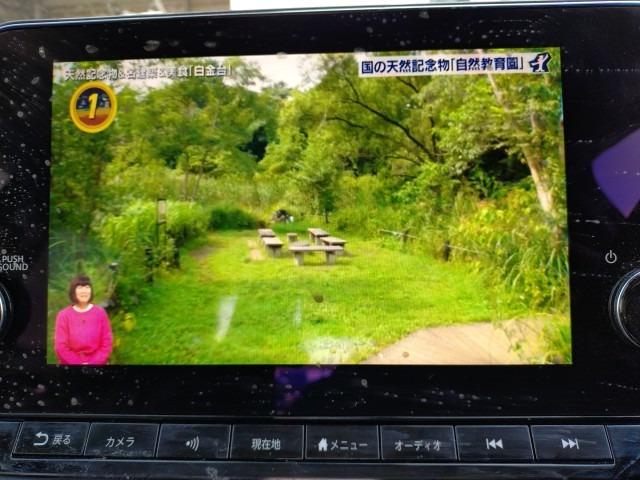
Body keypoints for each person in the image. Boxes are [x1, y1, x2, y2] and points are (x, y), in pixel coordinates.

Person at [54, 275, 113, 365]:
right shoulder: (63, 315)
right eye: (80, 287)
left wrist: (93, 363)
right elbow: (61, 348)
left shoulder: (100, 313)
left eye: (87, 287)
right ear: (73, 291)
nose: (84, 291)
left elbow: (107, 343)